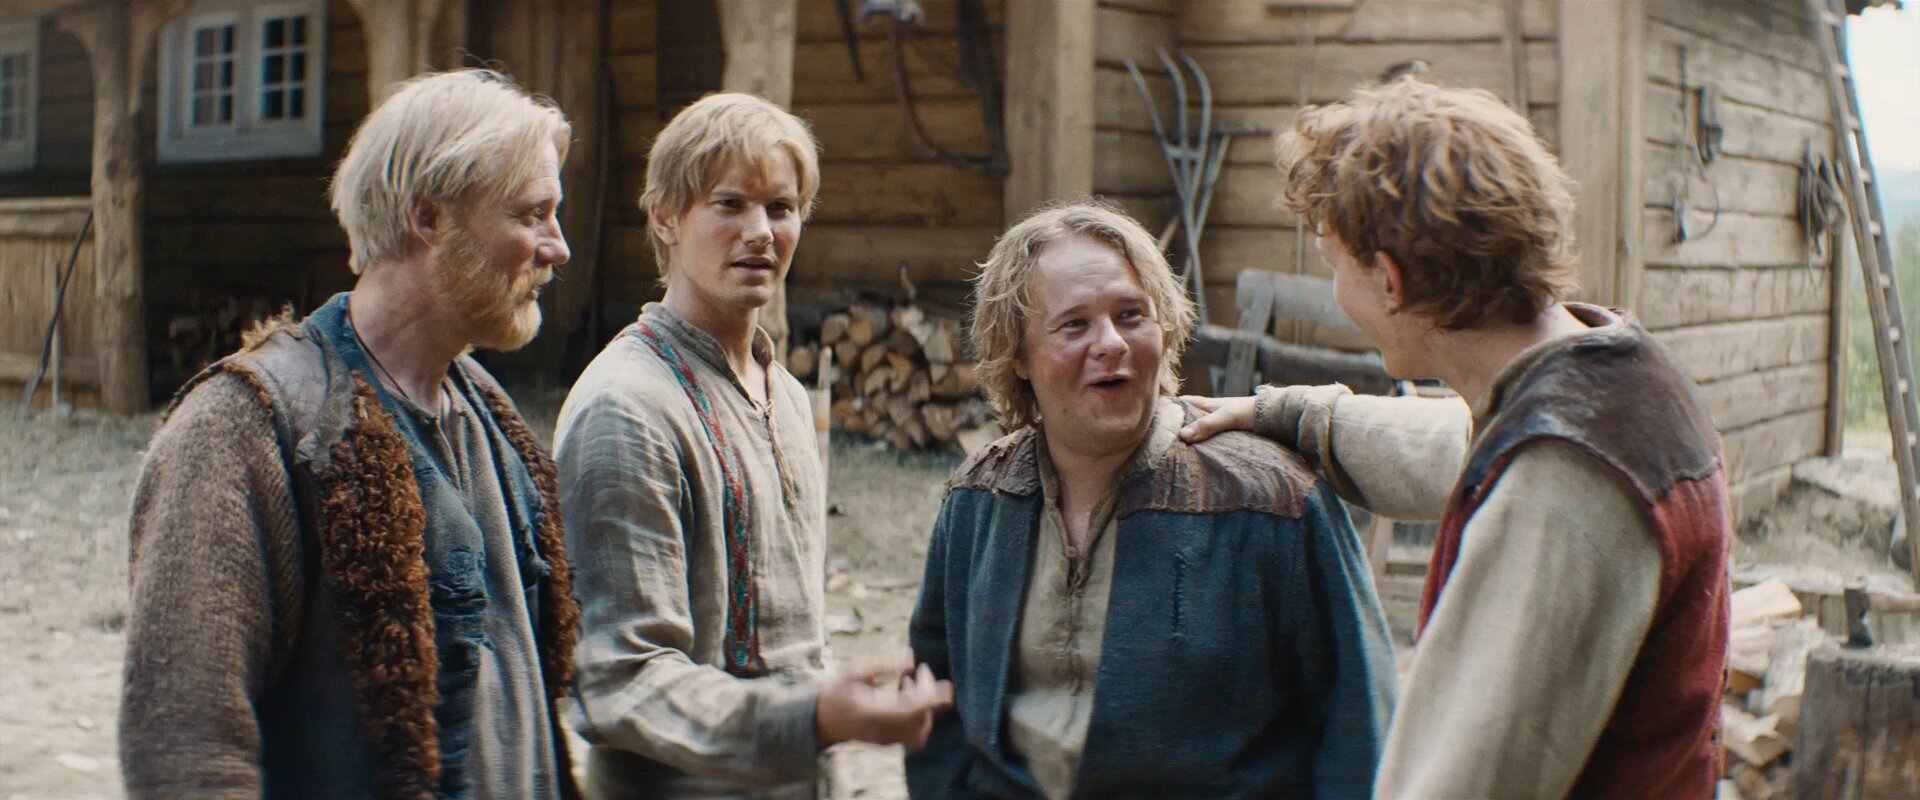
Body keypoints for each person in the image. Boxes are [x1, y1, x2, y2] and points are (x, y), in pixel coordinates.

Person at [1181, 77, 1732, 799]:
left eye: (1335, 264)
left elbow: (1465, 780)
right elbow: (1459, 444)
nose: (1338, 291)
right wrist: (1292, 415)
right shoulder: (1610, 377)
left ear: (1390, 281)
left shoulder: (1561, 486)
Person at [121, 69, 580, 798]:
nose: (558, 248)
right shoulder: (245, 427)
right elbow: (186, 746)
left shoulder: (489, 411)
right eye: (533, 214)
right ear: (428, 218)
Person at [906, 203, 1396, 799]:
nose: (1111, 343)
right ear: (1020, 355)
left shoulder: (1273, 502)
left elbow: (1360, 722)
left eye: (1130, 315)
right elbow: (935, 696)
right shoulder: (979, 499)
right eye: (1074, 325)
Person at [554, 92, 952, 800]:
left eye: (781, 207)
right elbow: (623, 680)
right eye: (730, 204)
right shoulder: (626, 407)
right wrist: (811, 717)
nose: (761, 232)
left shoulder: (787, 395)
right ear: (665, 217)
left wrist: (826, 713)